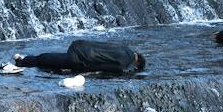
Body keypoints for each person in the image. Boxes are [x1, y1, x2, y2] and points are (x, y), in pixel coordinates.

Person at [8, 39, 146, 75]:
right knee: (47, 61)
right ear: (136, 64)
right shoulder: (123, 63)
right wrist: (81, 69)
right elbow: (101, 66)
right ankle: (21, 62)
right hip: (79, 58)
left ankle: (22, 59)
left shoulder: (125, 48)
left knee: (47, 59)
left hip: (81, 45)